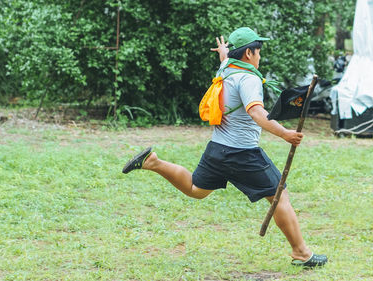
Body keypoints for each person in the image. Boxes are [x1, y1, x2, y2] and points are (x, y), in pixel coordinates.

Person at [122, 27, 327, 268]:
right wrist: (285, 134)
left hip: (217, 149)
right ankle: (302, 253)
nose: (260, 56)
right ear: (249, 53)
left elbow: (225, 60)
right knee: (280, 197)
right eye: (258, 51)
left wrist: (223, 52)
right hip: (243, 153)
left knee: (195, 188)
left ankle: (153, 162)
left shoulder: (226, 69)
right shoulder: (249, 79)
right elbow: (256, 112)